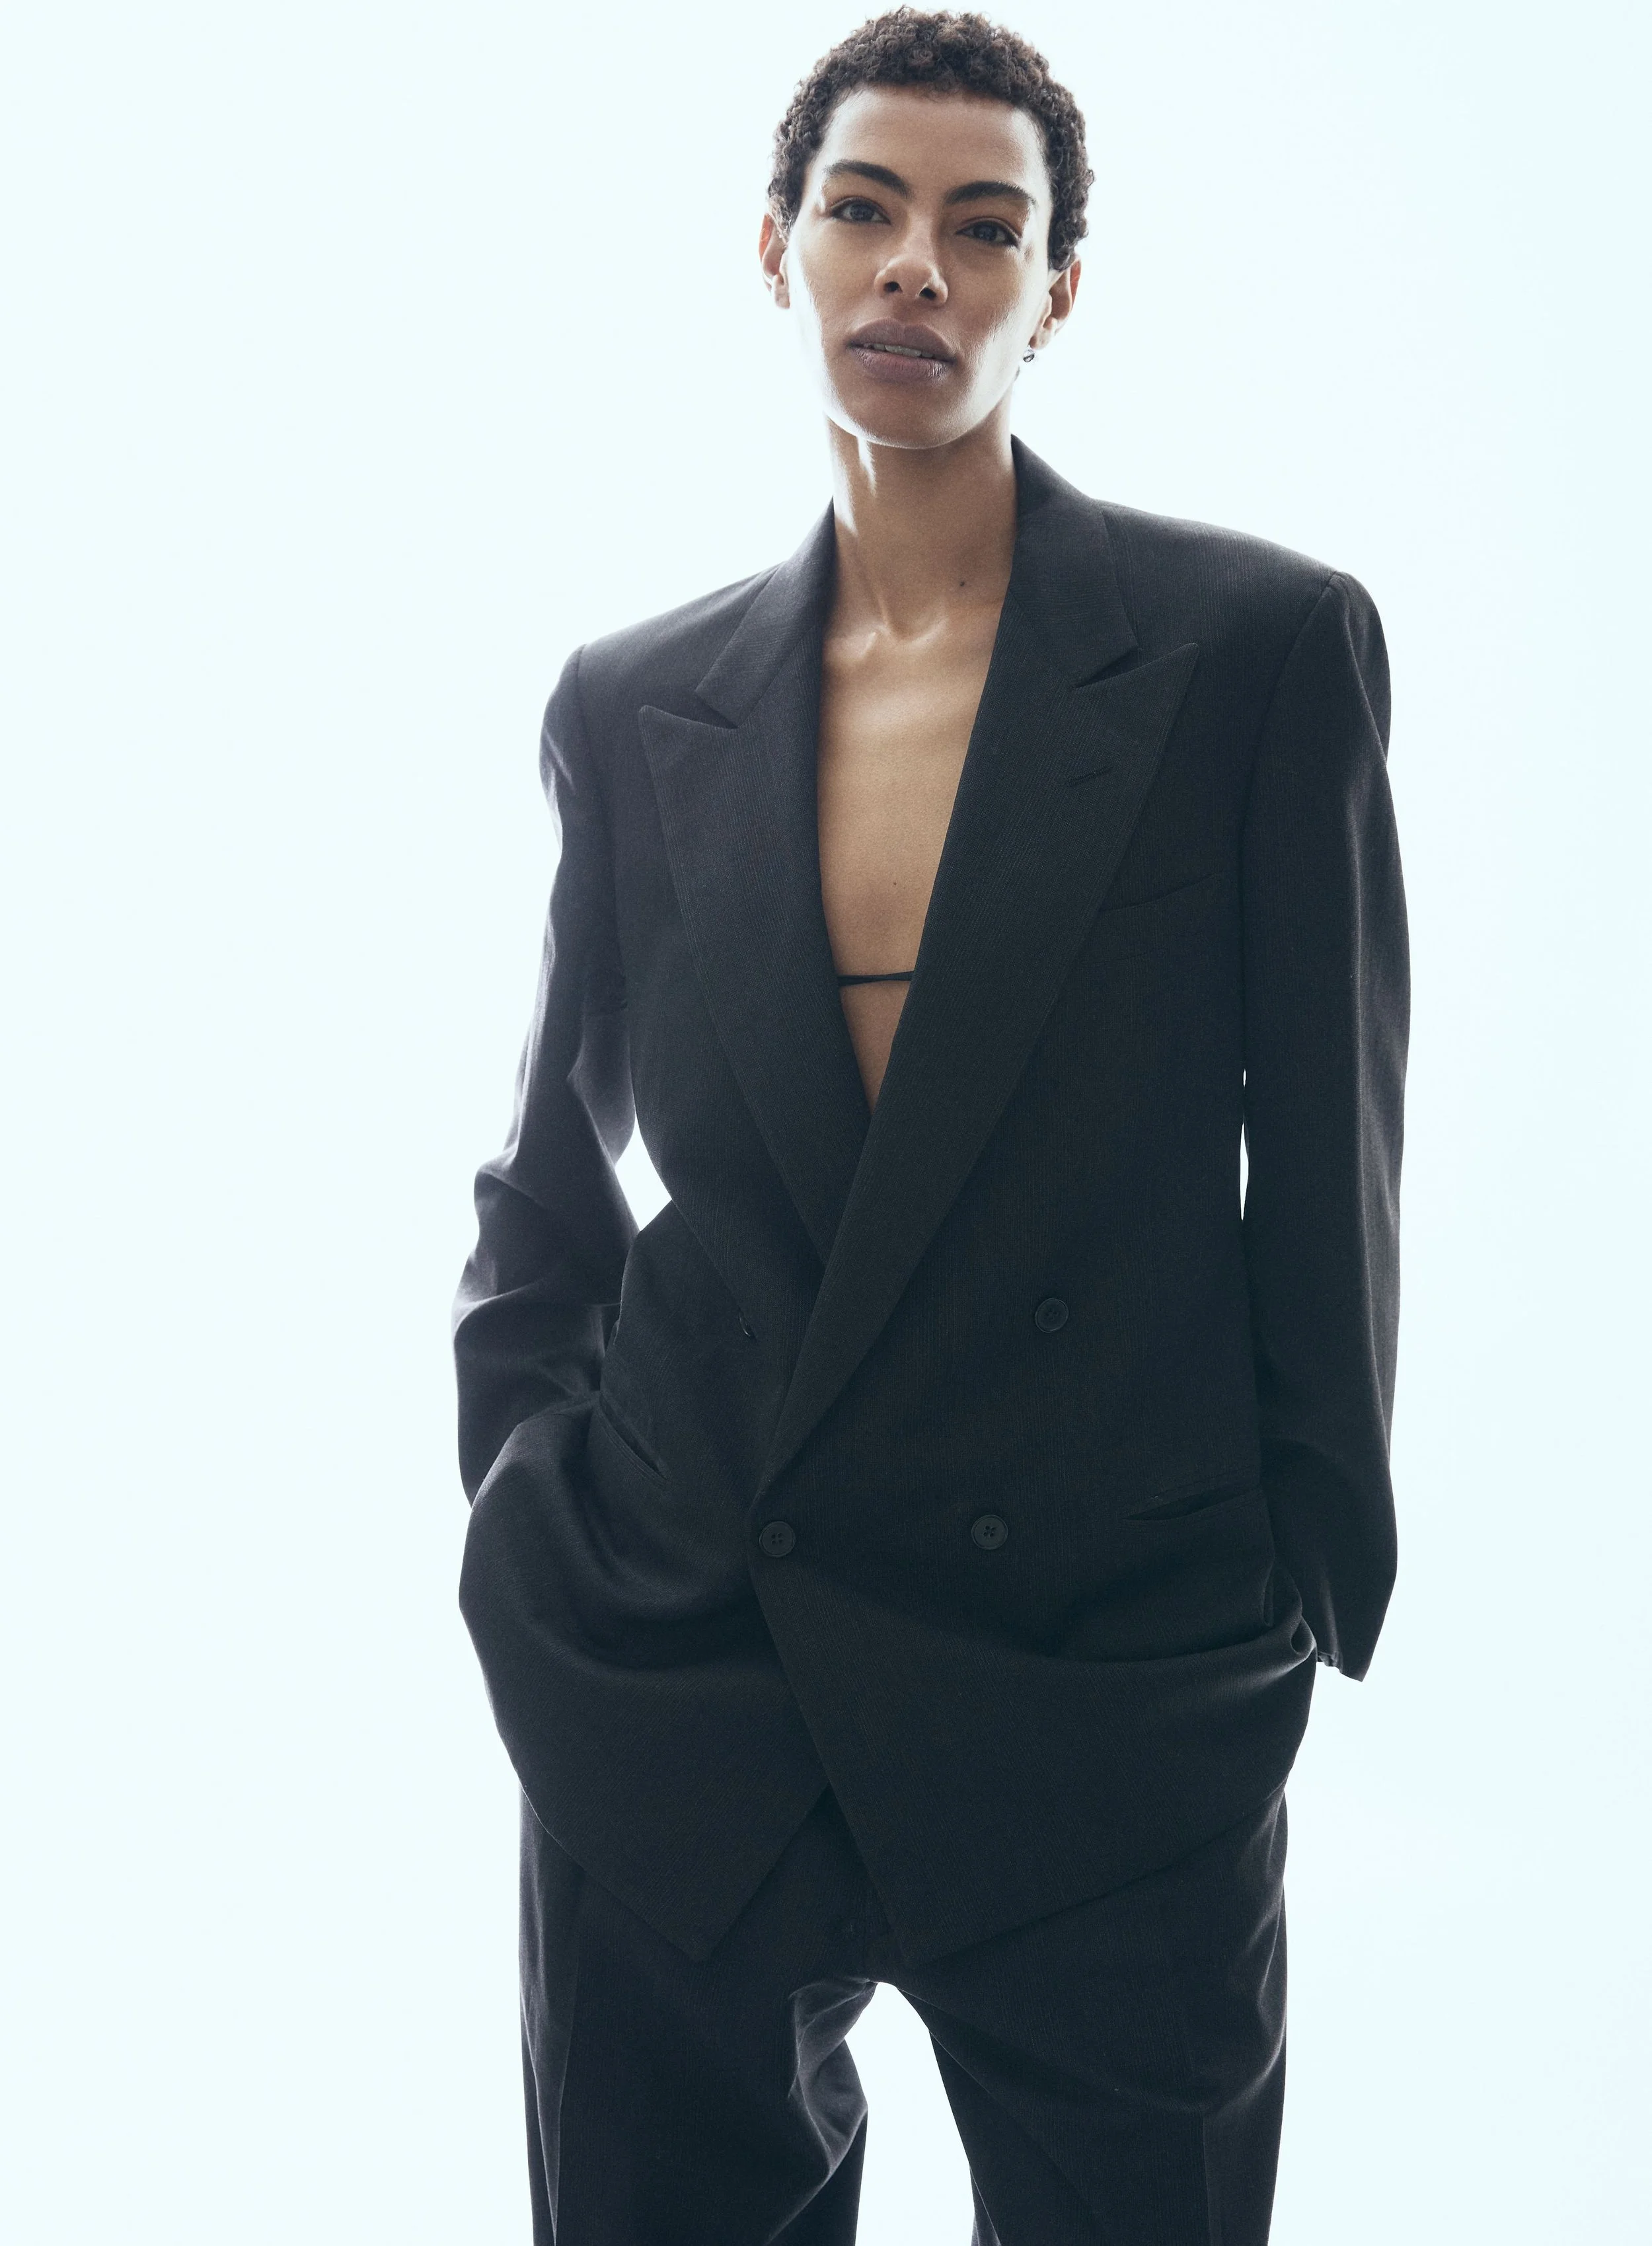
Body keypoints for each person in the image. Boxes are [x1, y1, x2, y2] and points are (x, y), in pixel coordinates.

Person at [452, 11, 1408, 2241]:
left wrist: (1279, 1598)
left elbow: (1329, 1164)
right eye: (865, 210)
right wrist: (531, 1520)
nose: (915, 266)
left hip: (1103, 1680)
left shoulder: (1253, 651)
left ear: (1051, 291)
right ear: (774, 248)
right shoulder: (634, 699)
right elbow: (546, 1178)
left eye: (983, 230)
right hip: (685, 1664)